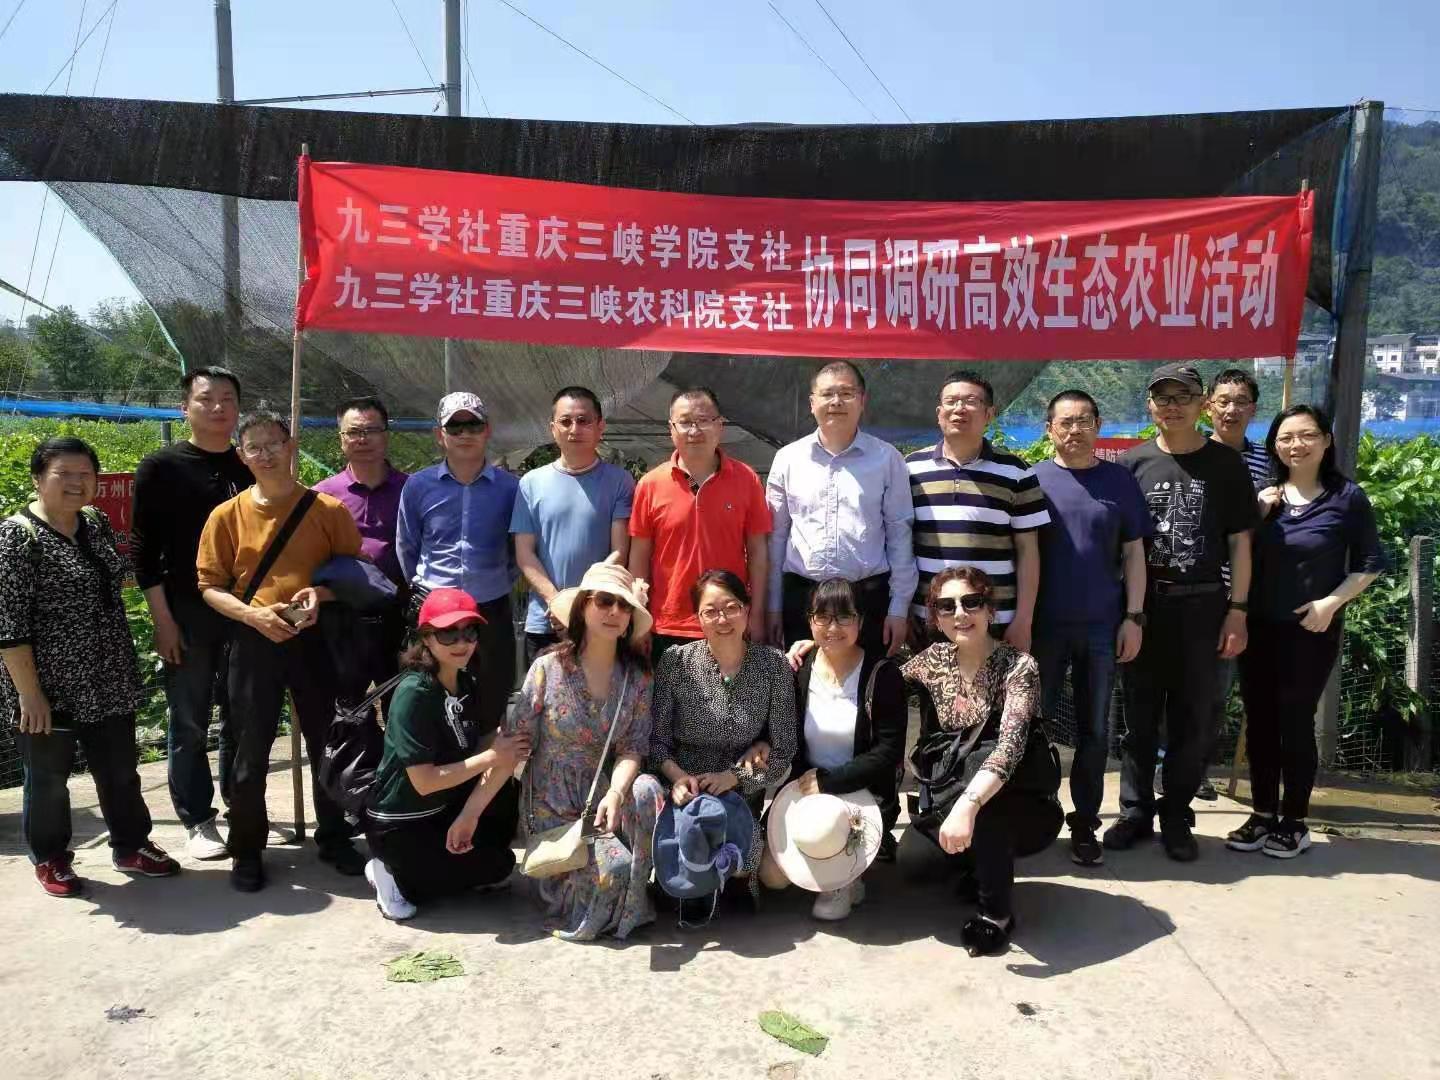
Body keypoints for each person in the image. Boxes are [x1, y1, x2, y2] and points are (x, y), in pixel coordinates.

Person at [197, 403, 366, 891]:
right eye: (255, 447)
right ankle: (247, 848)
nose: (266, 454)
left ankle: (334, 836)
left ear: (291, 446)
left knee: (327, 743)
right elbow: (209, 586)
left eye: (274, 443)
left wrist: (320, 595)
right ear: (242, 455)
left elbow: (354, 575)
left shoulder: (327, 510)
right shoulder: (226, 516)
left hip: (314, 639)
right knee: (249, 749)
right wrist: (252, 615)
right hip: (254, 640)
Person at [1, 437, 180, 896]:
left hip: (107, 674)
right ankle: (51, 858)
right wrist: (29, 694)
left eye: (85, 474)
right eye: (63, 474)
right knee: (48, 780)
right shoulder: (16, 538)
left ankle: (131, 845)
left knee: (120, 769)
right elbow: (9, 627)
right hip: (49, 685)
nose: (76, 483)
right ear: (38, 479)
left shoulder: (94, 522)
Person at [1106, 363, 1259, 862]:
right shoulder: (1131, 464)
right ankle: (1134, 812)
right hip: (1145, 608)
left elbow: (1240, 544)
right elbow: (1121, 545)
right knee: (1138, 718)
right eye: (1163, 397)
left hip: (1203, 605)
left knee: (1193, 720)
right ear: (1150, 405)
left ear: (1203, 404)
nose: (1172, 406)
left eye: (1183, 396)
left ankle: (1176, 814)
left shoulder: (1226, 465)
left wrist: (1238, 610)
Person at [1227, 405, 1386, 859]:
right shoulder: (1264, 496)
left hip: (1309, 630)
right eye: (1285, 438)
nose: (1296, 445)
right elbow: (1234, 551)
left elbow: (1370, 562)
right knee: (1259, 721)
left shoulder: (1346, 497)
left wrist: (1331, 603)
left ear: (1325, 440)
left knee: (1295, 722)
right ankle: (1262, 814)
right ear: (1274, 446)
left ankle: (1294, 822)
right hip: (1258, 626)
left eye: (1307, 435)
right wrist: (1257, 513)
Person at [490, 557, 664, 940]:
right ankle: (601, 894)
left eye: (624, 606)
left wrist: (616, 793)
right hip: (551, 802)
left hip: (601, 798)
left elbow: (632, 747)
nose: (614, 611)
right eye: (604, 601)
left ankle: (631, 899)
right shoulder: (547, 668)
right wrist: (471, 814)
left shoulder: (637, 678)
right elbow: (514, 746)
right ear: (584, 607)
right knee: (610, 871)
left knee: (647, 789)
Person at [901, 567, 1062, 956]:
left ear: (990, 610)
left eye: (971, 602)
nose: (960, 613)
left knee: (985, 789)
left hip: (1020, 801)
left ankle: (997, 914)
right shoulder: (933, 660)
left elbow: (1009, 748)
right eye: (947, 606)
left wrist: (968, 806)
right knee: (915, 864)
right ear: (937, 618)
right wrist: (815, 651)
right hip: (955, 792)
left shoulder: (1019, 667)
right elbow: (878, 685)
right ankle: (979, 864)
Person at [131, 366, 252, 861]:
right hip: (186, 610)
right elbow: (143, 552)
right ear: (185, 407)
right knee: (189, 720)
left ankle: (242, 808)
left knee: (242, 715)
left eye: (228, 398)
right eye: (206, 398)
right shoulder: (162, 467)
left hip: (245, 611)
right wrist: (163, 620)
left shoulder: (251, 464)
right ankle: (198, 819)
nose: (218, 407)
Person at [1030, 390, 1151, 866]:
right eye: (1065, 422)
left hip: (1102, 626)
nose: (1074, 430)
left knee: (1094, 731)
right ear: (1049, 429)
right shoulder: (1033, 480)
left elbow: (1134, 553)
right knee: (1032, 726)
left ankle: (1084, 823)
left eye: (1084, 420)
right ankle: (1035, 814)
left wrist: (1134, 617)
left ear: (1098, 425)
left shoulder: (1118, 481)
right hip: (1043, 628)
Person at [362, 588, 527, 921]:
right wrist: (492, 757)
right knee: (439, 885)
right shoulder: (415, 692)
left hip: (444, 807)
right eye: (448, 633)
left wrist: (508, 742)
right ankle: (390, 873)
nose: (461, 642)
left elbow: (482, 745)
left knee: (500, 861)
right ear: (426, 637)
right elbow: (424, 781)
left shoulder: (465, 683)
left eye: (470, 632)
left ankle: (443, 862)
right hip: (403, 822)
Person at [758, 578, 905, 918]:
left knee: (828, 909)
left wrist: (829, 782)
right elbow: (781, 731)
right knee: (772, 877)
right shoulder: (798, 668)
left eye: (844, 617)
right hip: (806, 786)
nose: (833, 627)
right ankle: (825, 862)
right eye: (822, 617)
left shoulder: (882, 675)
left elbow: (888, 751)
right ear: (809, 621)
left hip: (860, 791)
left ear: (861, 621)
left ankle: (846, 876)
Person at [651, 570, 796, 906]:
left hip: (739, 794)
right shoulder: (675, 662)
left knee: (739, 883)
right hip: (686, 794)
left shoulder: (773, 665)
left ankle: (730, 879)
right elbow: (656, 742)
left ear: (747, 609)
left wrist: (735, 777)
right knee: (687, 883)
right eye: (711, 611)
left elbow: (785, 747)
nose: (723, 619)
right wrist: (678, 778)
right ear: (697, 617)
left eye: (731, 607)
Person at [765, 360, 916, 656]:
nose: (836, 402)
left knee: (868, 682)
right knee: (802, 680)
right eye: (827, 394)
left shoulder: (887, 459)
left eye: (846, 393)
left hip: (867, 599)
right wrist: (773, 607)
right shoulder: (787, 459)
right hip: (803, 598)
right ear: (812, 403)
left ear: (862, 401)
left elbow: (900, 535)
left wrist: (898, 608)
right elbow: (776, 538)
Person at [396, 392, 520, 729]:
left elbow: (516, 551)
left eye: (473, 425)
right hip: (434, 608)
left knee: (492, 694)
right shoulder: (418, 486)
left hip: (489, 608)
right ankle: (437, 762)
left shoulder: (511, 489)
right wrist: (427, 593)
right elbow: (407, 546)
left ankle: (486, 760)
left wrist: (494, 584)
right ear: (440, 435)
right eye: (455, 427)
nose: (465, 434)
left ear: (487, 430)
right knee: (429, 695)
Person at [905, 369, 1049, 651]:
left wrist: (1023, 619)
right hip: (930, 618)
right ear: (939, 413)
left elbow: (1028, 550)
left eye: (971, 401)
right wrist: (903, 611)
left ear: (989, 414)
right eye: (951, 401)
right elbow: (900, 544)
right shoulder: (910, 469)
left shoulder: (1017, 472)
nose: (959, 409)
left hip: (995, 620)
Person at [1184, 369, 1274, 801]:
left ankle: (1197, 770)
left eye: (1241, 402)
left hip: (1244, 593)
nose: (1231, 410)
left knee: (1219, 690)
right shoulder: (1192, 454)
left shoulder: (1269, 462)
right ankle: (1170, 763)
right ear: (1208, 406)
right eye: (1223, 401)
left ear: (1253, 409)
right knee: (1182, 686)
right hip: (1196, 590)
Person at [629, 387, 771, 662]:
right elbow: (639, 557)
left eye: (703, 420)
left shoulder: (746, 479)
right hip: (667, 624)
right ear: (671, 429)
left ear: (720, 426)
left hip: (729, 621)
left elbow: (758, 552)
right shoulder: (650, 485)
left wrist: (757, 614)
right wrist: (638, 617)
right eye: (685, 422)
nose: (694, 430)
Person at [511, 386, 634, 667]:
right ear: (552, 429)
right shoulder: (530, 483)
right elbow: (525, 554)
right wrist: (557, 603)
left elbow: (619, 551)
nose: (574, 429)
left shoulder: (620, 481)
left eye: (583, 420)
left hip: (601, 619)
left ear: (600, 426)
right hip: (546, 622)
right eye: (565, 421)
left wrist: (580, 606)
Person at [312, 395, 409, 704]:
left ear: (386, 435)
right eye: (354, 432)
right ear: (341, 438)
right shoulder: (322, 495)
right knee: (343, 707)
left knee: (402, 703)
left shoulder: (412, 489)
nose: (363, 439)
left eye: (371, 430)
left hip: (399, 615)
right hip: (342, 617)